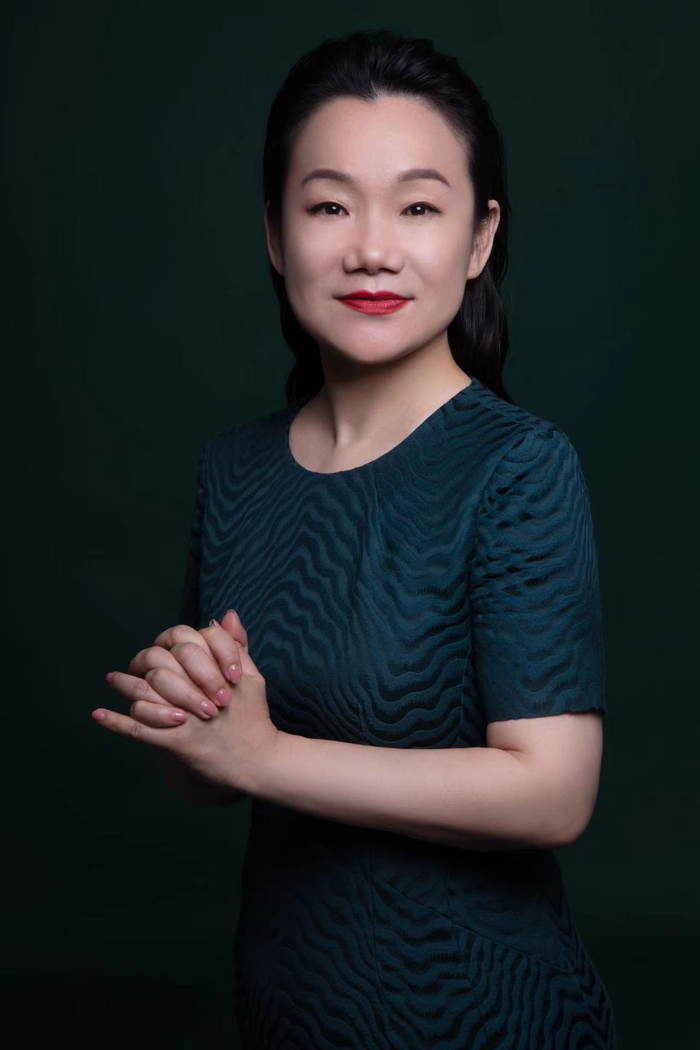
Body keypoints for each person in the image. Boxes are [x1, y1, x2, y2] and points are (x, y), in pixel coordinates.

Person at [93, 28, 619, 1050]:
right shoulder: (233, 471)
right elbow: (211, 772)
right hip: (288, 1006)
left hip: (480, 1017)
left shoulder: (518, 466)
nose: (372, 248)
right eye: (329, 205)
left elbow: (553, 793)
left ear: (479, 239)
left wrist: (266, 755)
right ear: (275, 235)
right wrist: (190, 717)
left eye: (418, 207)